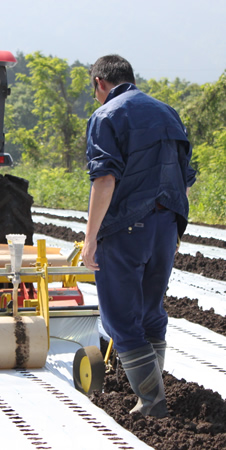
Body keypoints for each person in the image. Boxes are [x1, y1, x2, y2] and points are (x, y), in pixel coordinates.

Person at [81, 55, 196, 418]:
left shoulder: (106, 116)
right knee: (151, 313)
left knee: (119, 318)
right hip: (166, 226)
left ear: (100, 82)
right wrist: (173, 225)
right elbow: (184, 176)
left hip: (126, 228)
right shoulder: (167, 112)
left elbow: (104, 179)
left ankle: (151, 403)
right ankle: (150, 396)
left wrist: (90, 238)